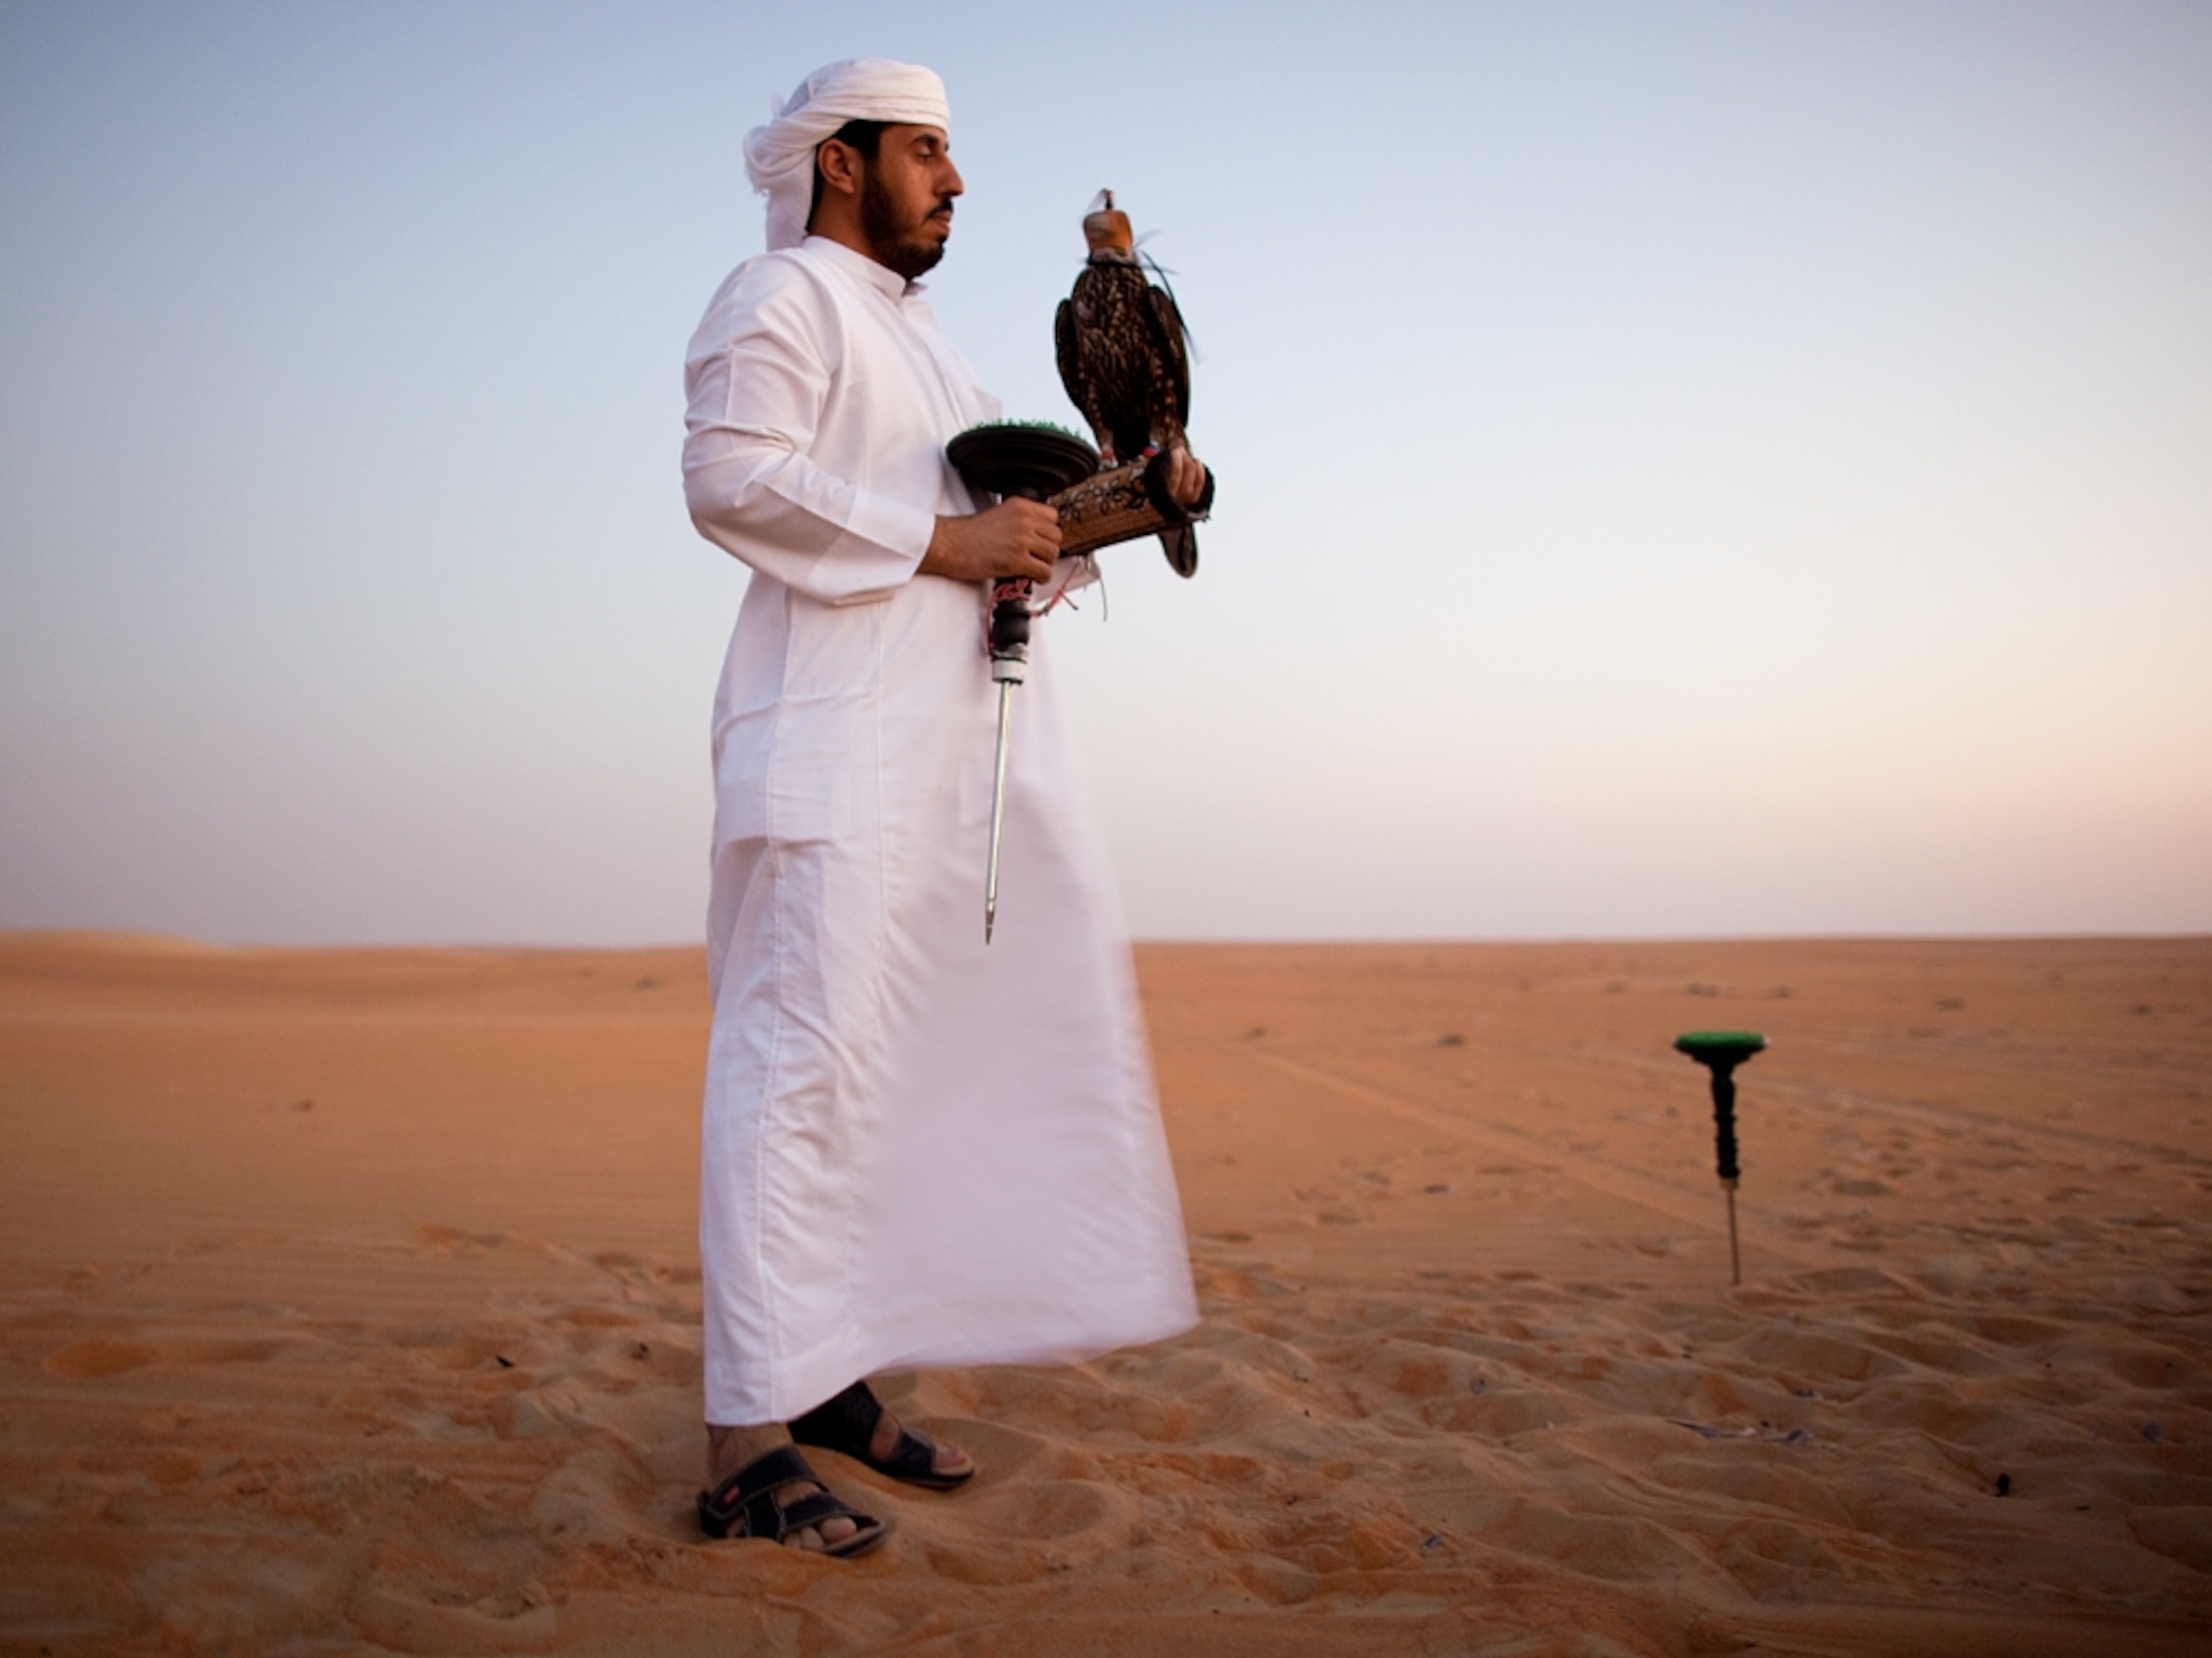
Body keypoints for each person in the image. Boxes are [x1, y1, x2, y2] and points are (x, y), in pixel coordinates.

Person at [680, 59, 1202, 1556]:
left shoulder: (937, 356)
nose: (957, 182)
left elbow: (1010, 540)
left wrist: (1147, 498)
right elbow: (728, 478)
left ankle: (827, 1379)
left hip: (948, 764)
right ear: (840, 163)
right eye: (925, 151)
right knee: (797, 1078)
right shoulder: (779, 296)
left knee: (893, 1082)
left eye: (953, 155)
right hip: (833, 754)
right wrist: (942, 541)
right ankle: (743, 1442)